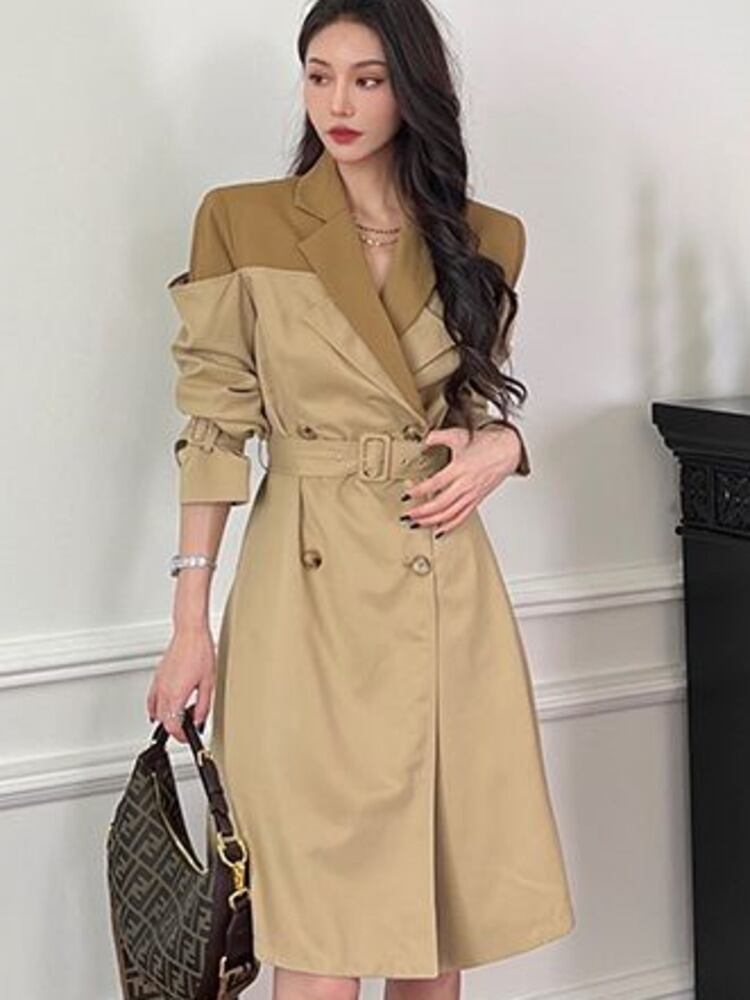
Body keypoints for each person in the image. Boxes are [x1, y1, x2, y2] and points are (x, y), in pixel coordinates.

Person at [148, 1, 575, 997]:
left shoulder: (485, 237)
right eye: (319, 75)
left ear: (412, 90)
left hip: (442, 591)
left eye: (368, 79)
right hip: (304, 600)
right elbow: (214, 427)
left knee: (434, 921)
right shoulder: (241, 219)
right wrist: (189, 624)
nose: (338, 102)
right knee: (318, 931)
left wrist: (506, 447)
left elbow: (473, 412)